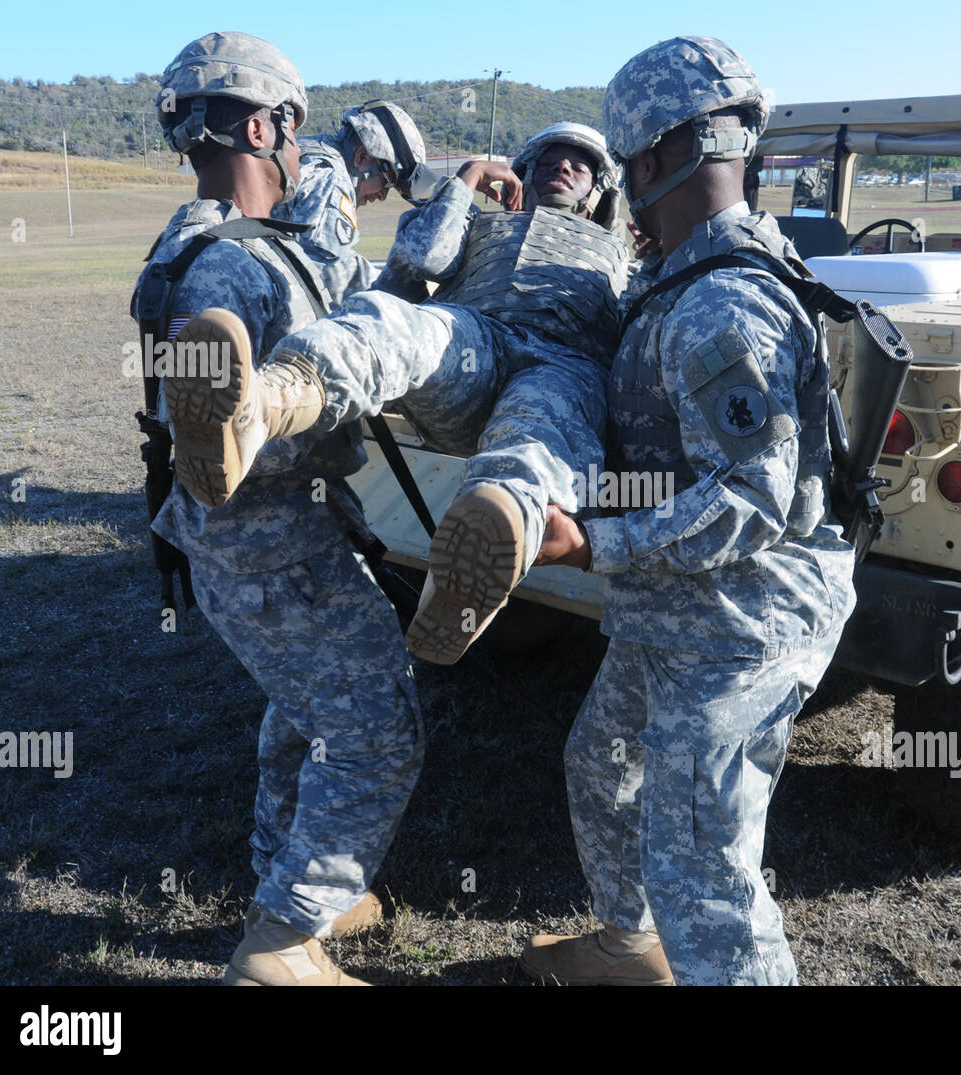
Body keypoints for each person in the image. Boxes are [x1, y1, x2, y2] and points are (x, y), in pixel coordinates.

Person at [518, 35, 857, 986]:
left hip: (745, 617)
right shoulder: (691, 275)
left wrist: (592, 543)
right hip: (681, 604)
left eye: (625, 165)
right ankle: (632, 949)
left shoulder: (719, 306)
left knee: (706, 864)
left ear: (657, 158)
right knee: (602, 764)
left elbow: (751, 500)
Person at [133, 31, 425, 986]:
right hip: (274, 544)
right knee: (379, 727)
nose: (301, 153)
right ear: (262, 126)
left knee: (303, 710)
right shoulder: (240, 272)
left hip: (229, 550)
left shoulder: (194, 247)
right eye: (292, 133)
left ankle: (295, 878)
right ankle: (285, 935)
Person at [162, 122, 630, 669]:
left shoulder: (624, 254)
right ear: (521, 173)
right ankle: (259, 409)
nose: (564, 166)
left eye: (581, 163)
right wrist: (466, 182)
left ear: (601, 190)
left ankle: (470, 571)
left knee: (537, 433)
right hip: (477, 339)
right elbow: (423, 259)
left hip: (564, 366)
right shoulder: (481, 224)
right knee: (400, 324)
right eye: (550, 157)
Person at [272, 100, 437, 306]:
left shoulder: (311, 150)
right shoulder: (330, 178)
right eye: (386, 182)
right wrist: (407, 302)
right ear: (362, 157)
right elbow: (332, 272)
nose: (383, 196)